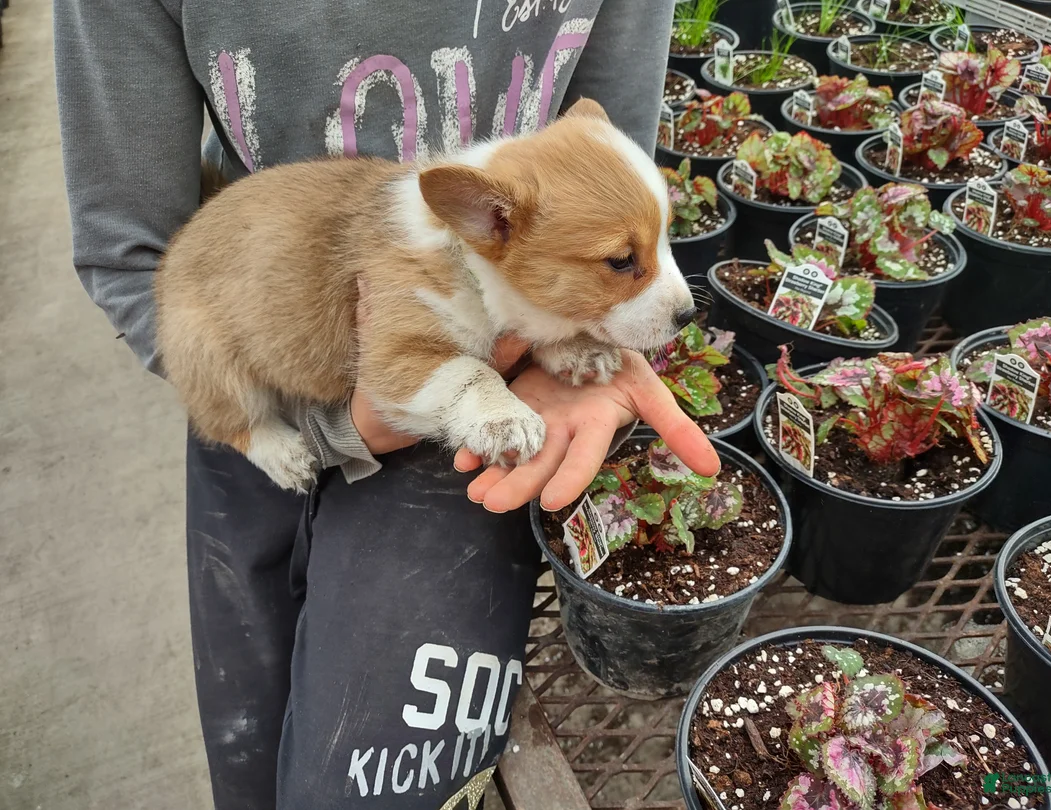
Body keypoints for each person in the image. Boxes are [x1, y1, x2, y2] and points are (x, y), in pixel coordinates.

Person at [53, 1, 719, 807]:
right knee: (256, 737)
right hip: (275, 391)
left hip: (458, 466)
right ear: (489, 220)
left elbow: (598, 164)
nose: (673, 295)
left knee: (382, 776)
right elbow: (130, 256)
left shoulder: (519, 214)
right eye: (627, 264)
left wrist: (569, 336)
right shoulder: (440, 244)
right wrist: (315, 429)